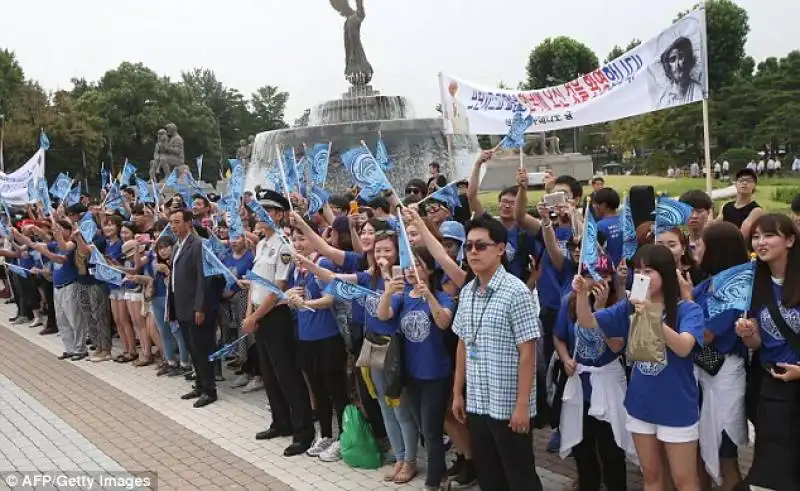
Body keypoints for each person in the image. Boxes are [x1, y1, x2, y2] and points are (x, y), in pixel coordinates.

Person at [574, 244, 705, 490]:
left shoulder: (688, 309)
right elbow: (589, 322)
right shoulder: (629, 307)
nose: (641, 276)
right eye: (638, 270)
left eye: (649, 270)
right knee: (652, 476)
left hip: (677, 407)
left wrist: (652, 317)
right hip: (641, 405)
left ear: (665, 273)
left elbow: (684, 347)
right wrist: (582, 295)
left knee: (684, 480)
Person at [451, 214, 544, 491]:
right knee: (489, 475)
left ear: (500, 249)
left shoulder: (516, 292)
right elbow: (462, 344)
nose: (473, 252)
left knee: (520, 476)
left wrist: (522, 405)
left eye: (481, 246)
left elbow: (528, 352)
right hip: (478, 400)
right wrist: (458, 392)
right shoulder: (467, 292)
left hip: (508, 405)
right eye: (468, 246)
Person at [243, 190, 314, 457]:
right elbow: (255, 282)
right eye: (259, 212)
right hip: (259, 315)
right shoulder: (262, 244)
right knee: (270, 374)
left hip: (275, 316)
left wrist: (256, 316)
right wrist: (249, 311)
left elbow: (278, 288)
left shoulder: (284, 244)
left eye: (268, 212)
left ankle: (303, 432)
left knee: (287, 375)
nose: (261, 217)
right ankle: (280, 421)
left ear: (280, 214)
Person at [735, 214, 800, 490]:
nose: (761, 242)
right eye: (756, 237)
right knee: (775, 470)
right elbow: (760, 345)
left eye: (769, 235)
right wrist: (749, 335)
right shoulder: (754, 285)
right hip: (773, 392)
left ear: (790, 240)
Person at [168, 209, 222, 408]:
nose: (173, 226)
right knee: (192, 348)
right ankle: (199, 384)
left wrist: (200, 307)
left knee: (202, 348)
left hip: (195, 307)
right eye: (171, 222)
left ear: (189, 223)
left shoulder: (199, 245)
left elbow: (203, 279)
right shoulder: (176, 246)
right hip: (181, 305)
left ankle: (210, 390)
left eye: (177, 222)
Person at [718, 168, 763, 237]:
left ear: (754, 185)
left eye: (749, 181)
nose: (744, 183)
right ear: (735, 184)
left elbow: (742, 235)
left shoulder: (756, 210)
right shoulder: (726, 206)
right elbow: (715, 226)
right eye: (741, 180)